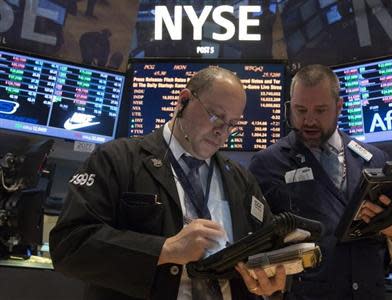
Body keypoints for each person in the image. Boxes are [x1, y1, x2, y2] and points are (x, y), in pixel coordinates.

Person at [49, 67, 286, 300]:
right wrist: (166, 249)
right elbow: (69, 246)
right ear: (183, 100)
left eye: (232, 125)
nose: (222, 133)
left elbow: (268, 252)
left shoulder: (241, 180)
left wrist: (272, 284)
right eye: (216, 116)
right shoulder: (117, 159)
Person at [248, 64, 392, 300]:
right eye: (300, 110)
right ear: (289, 106)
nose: (308, 120)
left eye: (320, 110)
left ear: (339, 107)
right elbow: (253, 242)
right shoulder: (267, 163)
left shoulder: (375, 159)